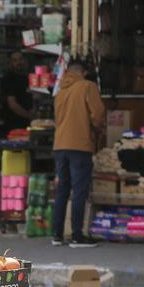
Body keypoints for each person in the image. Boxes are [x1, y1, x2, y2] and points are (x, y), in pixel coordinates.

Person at [51, 60, 105, 248]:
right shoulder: (87, 86)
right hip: (79, 145)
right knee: (79, 190)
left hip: (60, 146)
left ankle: (57, 235)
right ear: (83, 72)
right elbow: (97, 114)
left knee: (62, 190)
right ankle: (76, 235)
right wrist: (98, 129)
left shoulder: (60, 92)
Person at [2, 50, 35, 134]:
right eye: (15, 60)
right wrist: (29, 116)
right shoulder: (8, 79)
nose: (18, 62)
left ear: (25, 60)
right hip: (14, 122)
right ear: (10, 63)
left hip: (27, 121)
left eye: (20, 59)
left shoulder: (27, 77)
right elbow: (12, 104)